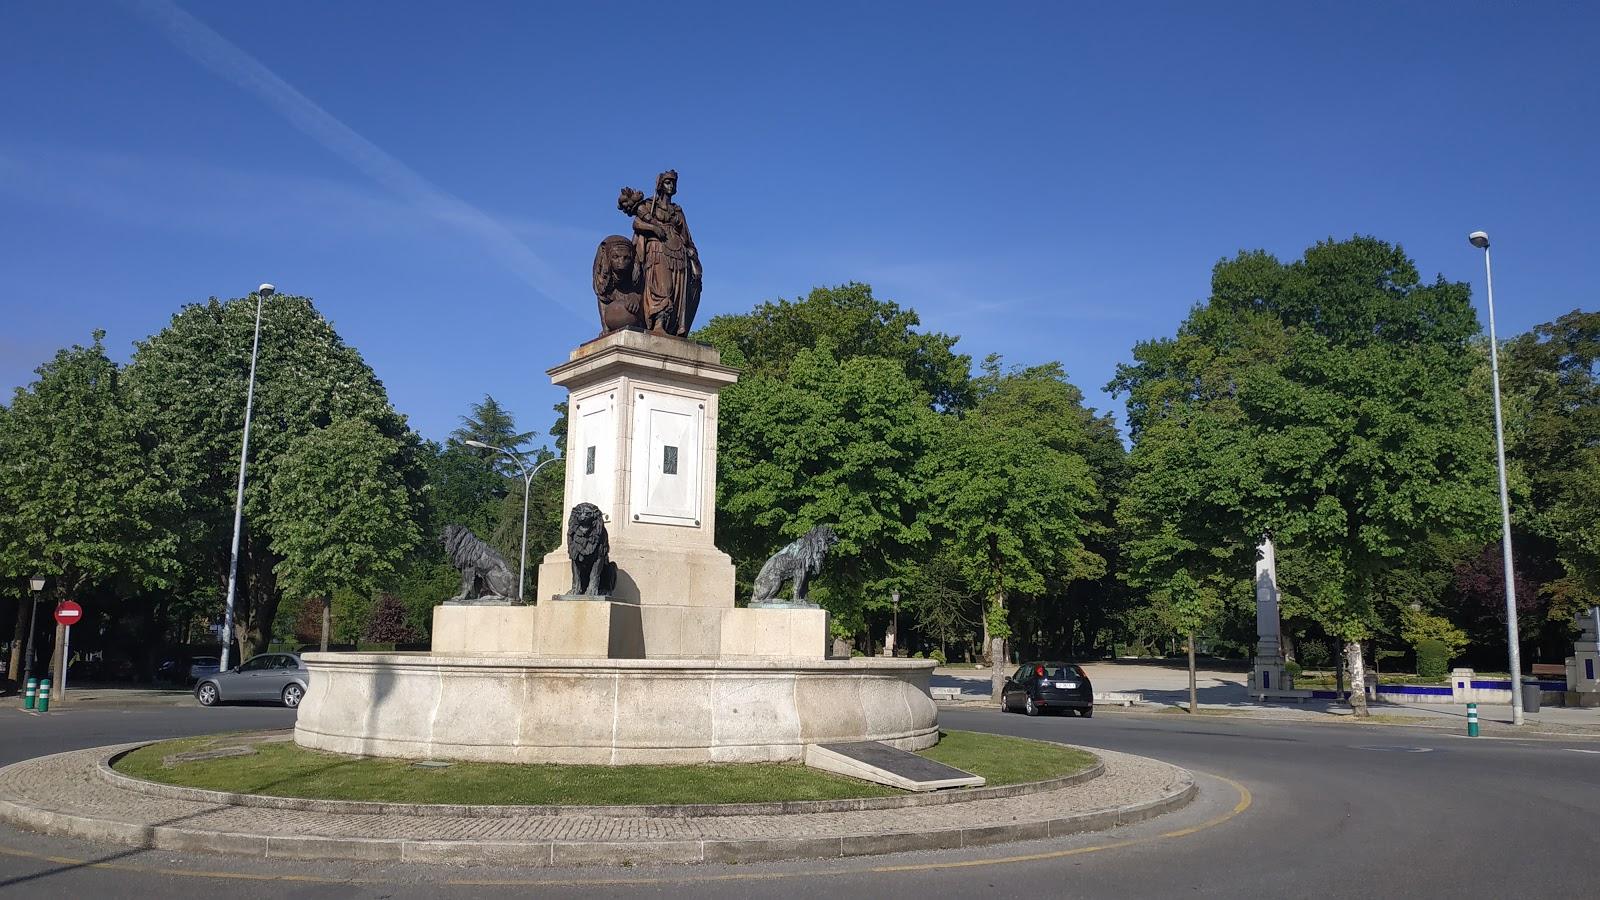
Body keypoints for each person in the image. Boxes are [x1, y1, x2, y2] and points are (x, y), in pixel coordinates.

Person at [629, 170, 702, 336]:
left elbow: (686, 236)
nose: (671, 186)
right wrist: (653, 228)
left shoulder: (677, 210)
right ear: (660, 185)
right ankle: (658, 324)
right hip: (657, 249)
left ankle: (671, 325)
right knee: (662, 287)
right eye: (668, 182)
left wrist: (692, 253)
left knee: (677, 290)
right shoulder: (649, 205)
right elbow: (637, 224)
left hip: (679, 254)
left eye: (673, 183)